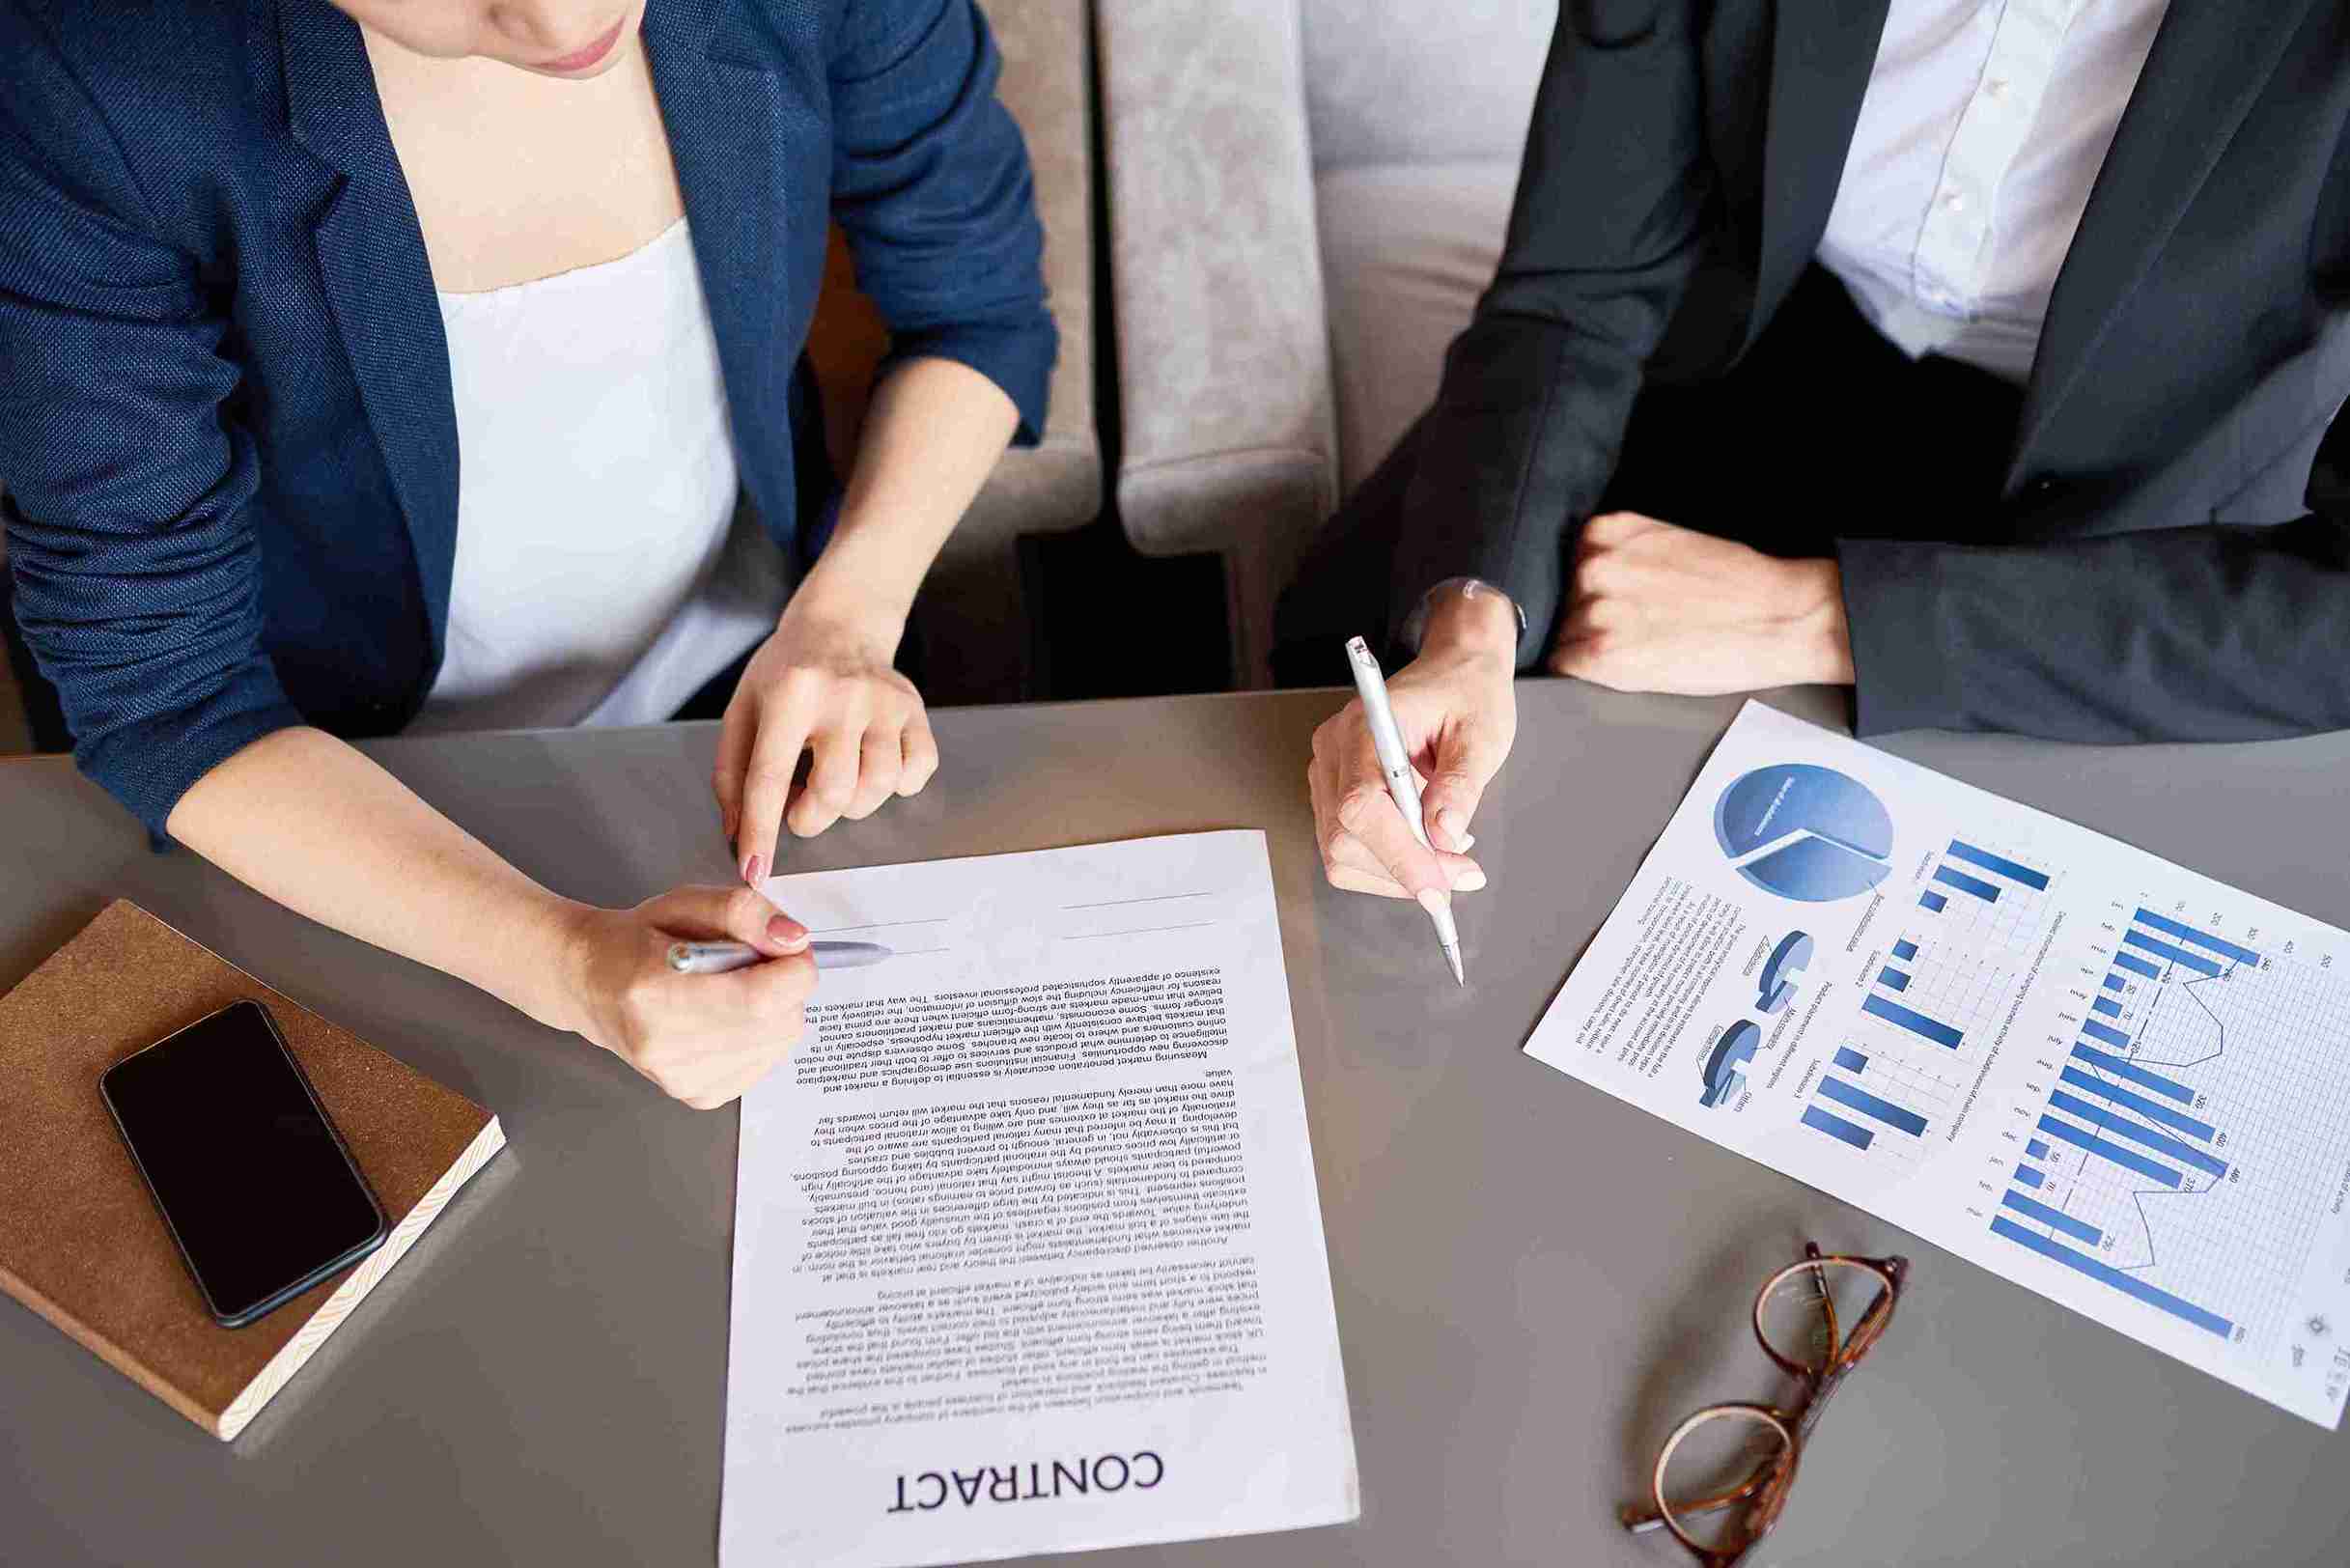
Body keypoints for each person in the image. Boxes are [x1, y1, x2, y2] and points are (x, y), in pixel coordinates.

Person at [0, 0, 1054, 1106]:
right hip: (330, 795)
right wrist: (569, 965)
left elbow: (976, 310)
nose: (561, 20)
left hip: (739, 704)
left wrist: (849, 613)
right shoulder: (84, 77)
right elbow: (169, 693)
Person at [1283, 0, 2350, 910]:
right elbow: (1577, 282)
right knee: (1339, 650)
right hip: (1752, 343)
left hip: (2133, 521)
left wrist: (1817, 615)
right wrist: (1473, 618)